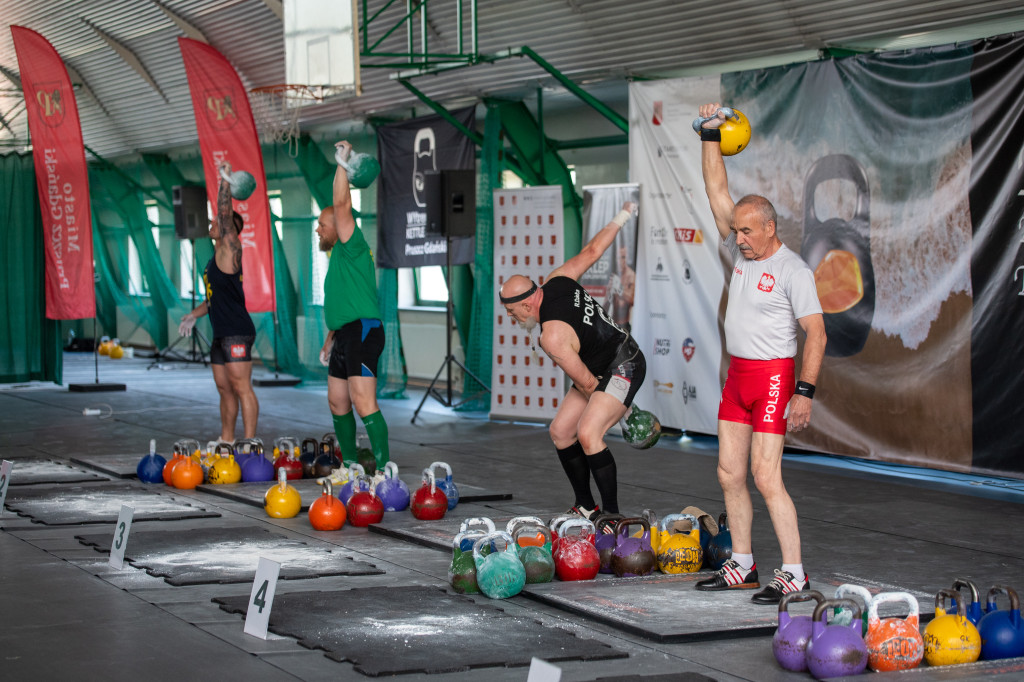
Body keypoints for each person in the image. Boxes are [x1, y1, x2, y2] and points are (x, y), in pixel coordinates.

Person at [693, 102, 827, 604]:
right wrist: (710, 134)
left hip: (773, 377)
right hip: (738, 378)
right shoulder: (740, 250)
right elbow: (716, 190)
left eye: (747, 231)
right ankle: (742, 564)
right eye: (737, 230)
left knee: (765, 475)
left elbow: (817, 333)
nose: (738, 238)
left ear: (770, 228)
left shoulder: (793, 271)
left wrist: (804, 393)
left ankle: (794, 572)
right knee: (729, 472)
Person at [499, 201, 644, 524]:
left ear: (525, 304)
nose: (511, 318)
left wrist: (624, 410)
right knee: (562, 431)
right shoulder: (557, 279)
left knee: (590, 433)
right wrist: (622, 215)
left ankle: (611, 516)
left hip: (624, 363)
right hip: (598, 365)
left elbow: (590, 385)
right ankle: (585, 505)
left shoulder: (551, 337)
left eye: (511, 312)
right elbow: (592, 251)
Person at [317, 141, 390, 474]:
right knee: (338, 402)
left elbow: (342, 203)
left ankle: (387, 472)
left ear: (338, 227)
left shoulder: (352, 244)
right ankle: (349, 466)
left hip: (363, 331)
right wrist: (328, 339)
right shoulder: (337, 259)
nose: (318, 228)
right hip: (345, 334)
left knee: (363, 402)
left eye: (322, 223)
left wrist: (342, 163)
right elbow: (342, 302)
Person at [178, 161, 259, 442]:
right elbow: (212, 300)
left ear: (230, 232)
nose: (213, 223)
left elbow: (224, 216)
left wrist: (224, 182)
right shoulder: (214, 261)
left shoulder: (230, 249)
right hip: (220, 333)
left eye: (219, 223)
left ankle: (249, 444)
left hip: (237, 331)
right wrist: (193, 315)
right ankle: (227, 440)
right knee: (224, 389)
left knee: (241, 387)